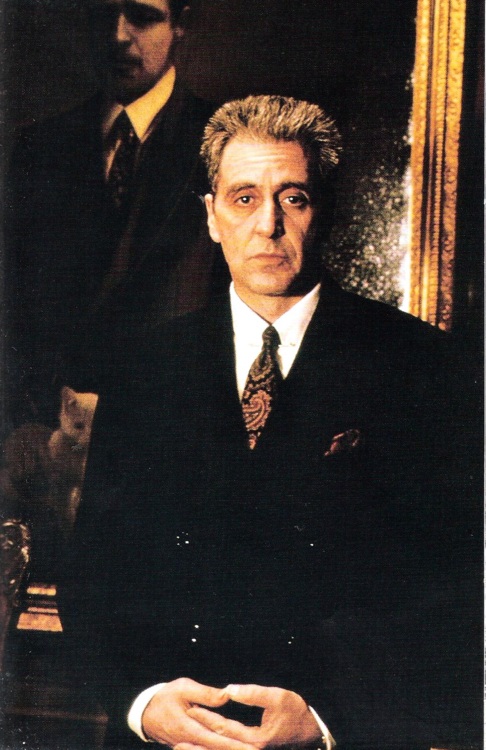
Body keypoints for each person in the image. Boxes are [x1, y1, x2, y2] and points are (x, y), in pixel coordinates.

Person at [60, 95, 482, 749]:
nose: (268, 226)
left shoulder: (425, 365)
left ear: (327, 211)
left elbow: (458, 589)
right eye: (244, 198)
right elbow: (94, 573)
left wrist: (327, 719)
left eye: (294, 198)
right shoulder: (144, 366)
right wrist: (142, 704)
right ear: (212, 216)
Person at [4, 0, 225, 430]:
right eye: (103, 16)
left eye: (142, 17)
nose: (118, 36)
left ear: (181, 24)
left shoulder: (226, 142)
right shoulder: (39, 146)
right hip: (46, 435)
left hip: (170, 428)